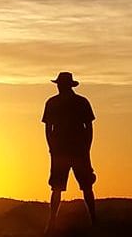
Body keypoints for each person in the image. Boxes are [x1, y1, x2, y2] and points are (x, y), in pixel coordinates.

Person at [42, 71, 96, 234]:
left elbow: (48, 129)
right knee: (81, 186)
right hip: (71, 151)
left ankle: (53, 222)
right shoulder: (80, 102)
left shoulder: (54, 103)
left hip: (67, 151)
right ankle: (92, 220)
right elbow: (89, 127)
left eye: (60, 84)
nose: (59, 87)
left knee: (61, 187)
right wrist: (86, 147)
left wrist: (52, 147)